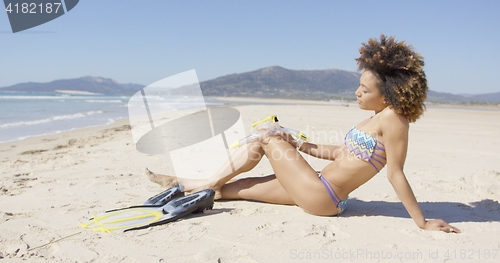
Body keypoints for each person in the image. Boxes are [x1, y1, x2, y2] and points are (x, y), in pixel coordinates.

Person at [146, 35, 460, 233]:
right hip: (319, 186)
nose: (357, 93)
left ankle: (204, 183)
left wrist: (422, 222)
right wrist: (300, 144)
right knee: (239, 187)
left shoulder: (394, 120)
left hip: (323, 195)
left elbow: (395, 173)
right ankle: (187, 186)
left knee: (267, 136)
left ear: (389, 94)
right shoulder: (379, 116)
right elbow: (341, 154)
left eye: (364, 90)